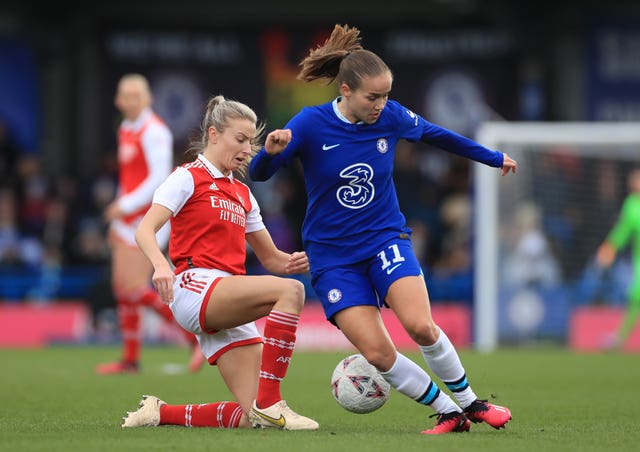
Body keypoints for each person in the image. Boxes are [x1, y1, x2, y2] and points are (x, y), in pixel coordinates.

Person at [249, 24, 517, 435]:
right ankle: (450, 413)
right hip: (332, 256)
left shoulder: (390, 117)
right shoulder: (310, 124)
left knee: (420, 325)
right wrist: (268, 154)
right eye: (372, 97)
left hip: (384, 240)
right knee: (377, 351)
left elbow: (436, 135)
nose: (381, 104)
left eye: (386, 95)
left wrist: (492, 157)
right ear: (345, 91)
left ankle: (472, 403)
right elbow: (261, 174)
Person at [121, 95, 318, 431]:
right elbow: (145, 229)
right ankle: (273, 402)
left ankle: (160, 413)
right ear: (213, 135)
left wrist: (307, 259)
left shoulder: (242, 193)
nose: (247, 149)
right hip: (195, 287)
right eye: (239, 139)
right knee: (292, 293)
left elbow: (272, 259)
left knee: (254, 419)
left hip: (227, 294)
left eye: (251, 142)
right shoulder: (188, 177)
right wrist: (161, 264)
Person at [96, 73, 205, 375]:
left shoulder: (154, 131)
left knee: (132, 288)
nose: (130, 101)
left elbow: (158, 179)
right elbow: (129, 178)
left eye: (136, 95)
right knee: (123, 290)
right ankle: (130, 359)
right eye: (125, 96)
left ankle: (192, 336)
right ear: (118, 101)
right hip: (125, 220)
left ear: (147, 99)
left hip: (146, 219)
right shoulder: (127, 129)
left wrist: (125, 205)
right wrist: (119, 212)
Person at [596, 167, 640, 349]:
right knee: (636, 296)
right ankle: (620, 339)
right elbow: (623, 230)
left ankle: (619, 338)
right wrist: (610, 247)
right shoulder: (631, 204)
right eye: (634, 180)